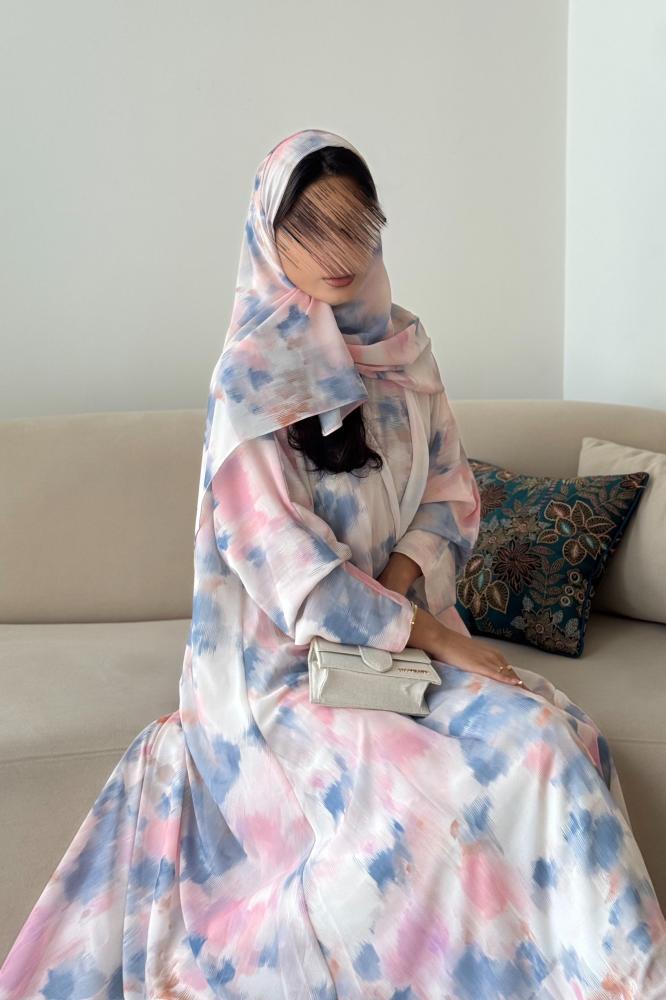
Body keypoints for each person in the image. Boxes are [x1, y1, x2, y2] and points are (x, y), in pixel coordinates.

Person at [1, 127, 665, 999]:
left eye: (356, 225)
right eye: (310, 228)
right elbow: (290, 572)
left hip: (400, 643)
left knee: (548, 742)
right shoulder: (249, 381)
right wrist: (436, 637)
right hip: (286, 674)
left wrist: (403, 592)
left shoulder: (405, 347)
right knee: (434, 801)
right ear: (267, 235)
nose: (338, 251)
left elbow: (451, 489)